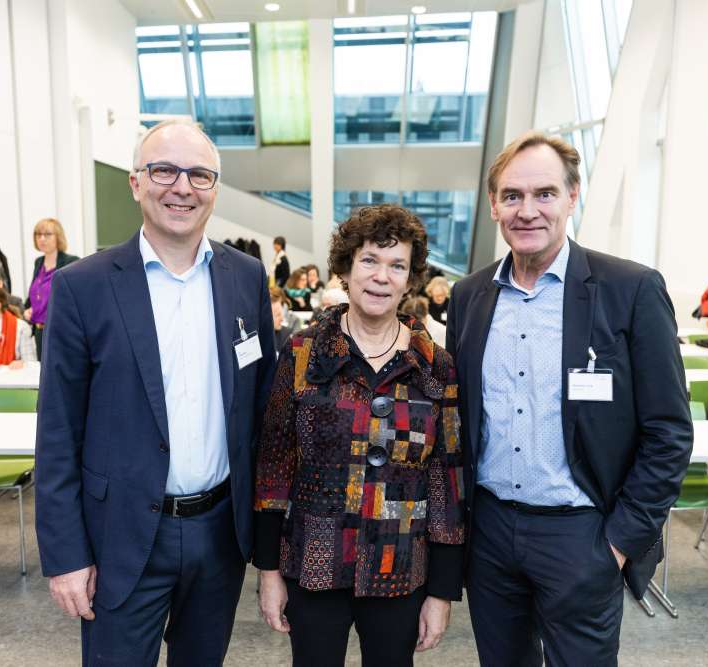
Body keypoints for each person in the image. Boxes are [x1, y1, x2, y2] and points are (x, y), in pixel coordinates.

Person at [445, 131, 693, 666]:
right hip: (490, 534)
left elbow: (669, 431)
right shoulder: (469, 297)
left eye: (545, 194)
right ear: (494, 205)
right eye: (512, 196)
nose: (527, 210)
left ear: (572, 196)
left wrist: (618, 543)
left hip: (582, 533)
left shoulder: (630, 289)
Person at [35, 118, 276, 666]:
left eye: (199, 174)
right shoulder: (83, 286)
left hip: (220, 535)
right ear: (135, 183)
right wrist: (65, 555)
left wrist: (265, 544)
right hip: (120, 536)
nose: (182, 187)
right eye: (164, 170)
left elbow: (260, 414)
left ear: (214, 189)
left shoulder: (246, 278)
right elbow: (57, 432)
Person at [254, 204, 465, 667]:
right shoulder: (303, 352)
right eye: (369, 260)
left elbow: (446, 480)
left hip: (400, 564)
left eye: (397, 266)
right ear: (346, 268)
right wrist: (267, 569)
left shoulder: (435, 365)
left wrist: (443, 591)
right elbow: (274, 465)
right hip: (315, 560)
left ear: (410, 280)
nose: (381, 276)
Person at [24, 217, 80, 359]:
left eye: (47, 234)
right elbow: (35, 295)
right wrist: (28, 310)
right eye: (38, 234)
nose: (42, 239)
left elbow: (76, 299)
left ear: (58, 237)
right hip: (39, 332)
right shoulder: (39, 263)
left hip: (60, 332)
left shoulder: (70, 262)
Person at [269, 285, 300, 353]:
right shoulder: (256, 339)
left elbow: (300, 357)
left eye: (282, 303)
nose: (282, 318)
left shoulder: (289, 332)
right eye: (277, 315)